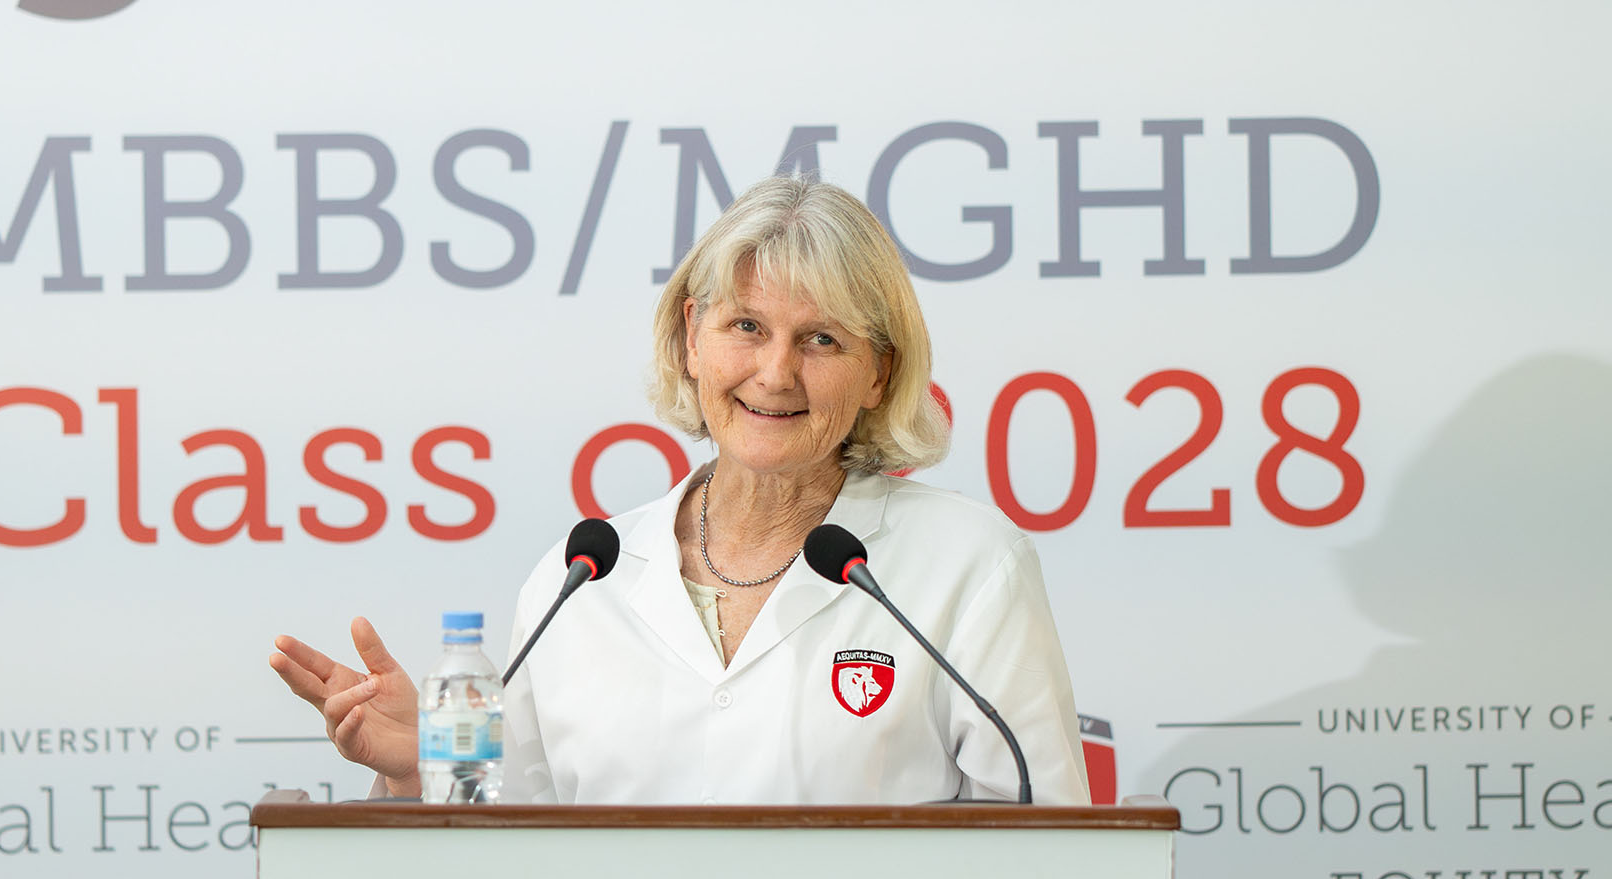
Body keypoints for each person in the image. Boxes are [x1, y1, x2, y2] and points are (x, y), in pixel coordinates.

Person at [271, 175, 1091, 805]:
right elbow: (508, 840)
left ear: (879, 373)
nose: (775, 372)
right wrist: (430, 766)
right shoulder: (582, 576)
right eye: (746, 327)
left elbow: (1048, 848)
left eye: (821, 339)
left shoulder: (969, 568)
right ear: (690, 338)